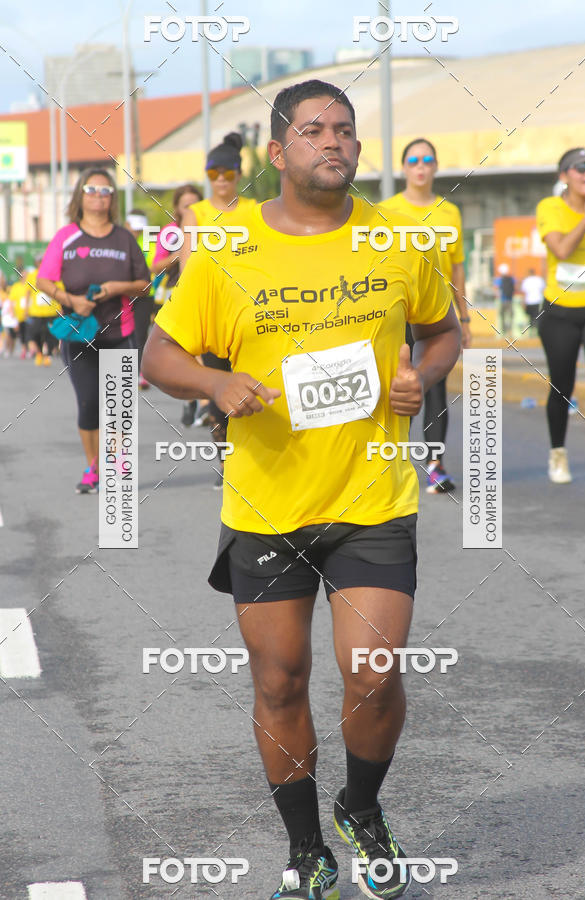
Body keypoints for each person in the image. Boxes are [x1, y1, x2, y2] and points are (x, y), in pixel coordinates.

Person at [142, 78, 461, 900]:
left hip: (372, 498)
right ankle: (307, 847)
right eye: (315, 130)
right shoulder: (228, 246)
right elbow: (160, 356)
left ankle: (362, 807)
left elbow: (444, 331)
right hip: (266, 504)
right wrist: (214, 385)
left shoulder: (397, 240)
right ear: (279, 151)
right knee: (280, 682)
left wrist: (422, 377)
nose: (334, 141)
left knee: (373, 671)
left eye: (345, 130)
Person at [37, 167, 150, 493]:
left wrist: (117, 287)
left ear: (112, 198)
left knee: (119, 408)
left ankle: (115, 465)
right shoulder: (66, 236)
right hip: (79, 334)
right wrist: (69, 299)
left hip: (120, 334)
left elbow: (144, 284)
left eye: (105, 190)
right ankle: (94, 467)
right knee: (88, 404)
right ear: (80, 195)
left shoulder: (124, 238)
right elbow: (43, 279)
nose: (98, 196)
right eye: (91, 189)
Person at [380, 137, 471, 493]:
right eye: (414, 160)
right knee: (392, 387)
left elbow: (457, 268)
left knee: (433, 387)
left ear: (435, 167)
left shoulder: (450, 213)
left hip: (436, 315)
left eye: (427, 160)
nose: (421, 167)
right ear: (404, 168)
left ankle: (436, 466)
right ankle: (389, 462)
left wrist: (464, 318)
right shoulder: (385, 210)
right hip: (397, 313)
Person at [179, 133, 256, 483]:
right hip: (213, 317)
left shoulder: (256, 210)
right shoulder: (196, 214)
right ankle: (226, 460)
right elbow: (187, 270)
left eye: (228, 173)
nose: (221, 180)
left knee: (252, 386)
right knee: (218, 391)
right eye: (214, 174)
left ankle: (252, 460)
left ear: (239, 174)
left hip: (251, 316)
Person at [536, 147, 585, 486]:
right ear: (564, 176)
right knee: (562, 386)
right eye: (581, 167)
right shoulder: (550, 207)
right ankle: (557, 453)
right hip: (559, 312)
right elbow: (561, 249)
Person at [149, 183, 203, 423]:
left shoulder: (212, 227)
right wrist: (178, 255)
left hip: (205, 294)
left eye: (195, 204)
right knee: (186, 349)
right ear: (177, 209)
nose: (191, 209)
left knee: (201, 348)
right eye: (186, 205)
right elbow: (155, 266)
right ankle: (197, 400)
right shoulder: (170, 233)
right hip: (175, 294)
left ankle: (198, 400)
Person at [125, 208, 156, 389]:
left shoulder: (149, 242)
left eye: (140, 228)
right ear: (126, 224)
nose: (137, 232)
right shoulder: (119, 240)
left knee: (140, 333)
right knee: (119, 333)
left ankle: (138, 372)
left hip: (144, 295)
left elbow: (153, 266)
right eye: (134, 228)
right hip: (121, 294)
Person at [25, 253, 61, 365]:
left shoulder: (53, 274)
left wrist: (61, 307)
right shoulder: (32, 275)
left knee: (51, 334)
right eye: (39, 261)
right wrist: (26, 308)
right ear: (36, 263)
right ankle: (39, 353)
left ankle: (48, 355)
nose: (41, 263)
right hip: (36, 312)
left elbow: (59, 291)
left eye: (43, 261)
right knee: (35, 333)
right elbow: (27, 292)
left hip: (51, 311)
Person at [520, 267, 545, 334]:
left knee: (531, 317)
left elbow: (524, 293)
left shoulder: (526, 280)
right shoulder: (539, 279)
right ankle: (536, 331)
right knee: (537, 317)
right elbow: (543, 290)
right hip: (538, 301)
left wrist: (523, 302)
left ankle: (531, 332)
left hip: (529, 301)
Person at [494, 263, 515, 335]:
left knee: (502, 316)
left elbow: (496, 289)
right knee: (510, 316)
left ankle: (503, 331)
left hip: (502, 300)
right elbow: (515, 287)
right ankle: (510, 330)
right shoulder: (511, 279)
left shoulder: (499, 280)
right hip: (510, 300)